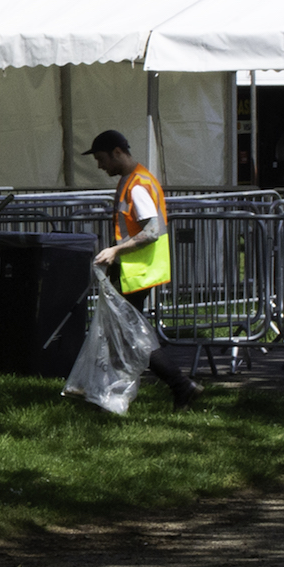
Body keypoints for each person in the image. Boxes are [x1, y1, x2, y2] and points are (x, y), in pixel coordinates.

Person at [85, 129, 203, 409]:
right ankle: (107, 394)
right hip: (135, 271)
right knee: (127, 335)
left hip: (137, 272)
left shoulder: (137, 185)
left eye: (102, 159)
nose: (100, 166)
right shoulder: (133, 180)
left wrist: (115, 250)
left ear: (117, 152)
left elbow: (151, 231)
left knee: (131, 336)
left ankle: (179, 386)